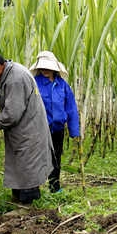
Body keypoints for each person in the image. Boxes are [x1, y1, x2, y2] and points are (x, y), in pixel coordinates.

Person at [0, 51, 53, 204]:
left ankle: (28, 208)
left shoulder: (15, 79)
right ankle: (19, 202)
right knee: (21, 169)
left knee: (28, 171)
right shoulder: (10, 73)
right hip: (23, 132)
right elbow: (9, 98)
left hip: (28, 133)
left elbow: (11, 115)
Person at [30, 51, 80, 193]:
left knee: (56, 157)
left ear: (54, 68)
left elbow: (71, 108)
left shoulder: (62, 85)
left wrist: (74, 130)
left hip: (57, 129)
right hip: (39, 128)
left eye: (48, 67)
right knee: (37, 158)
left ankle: (54, 187)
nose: (45, 70)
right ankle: (35, 188)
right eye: (42, 67)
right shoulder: (34, 84)